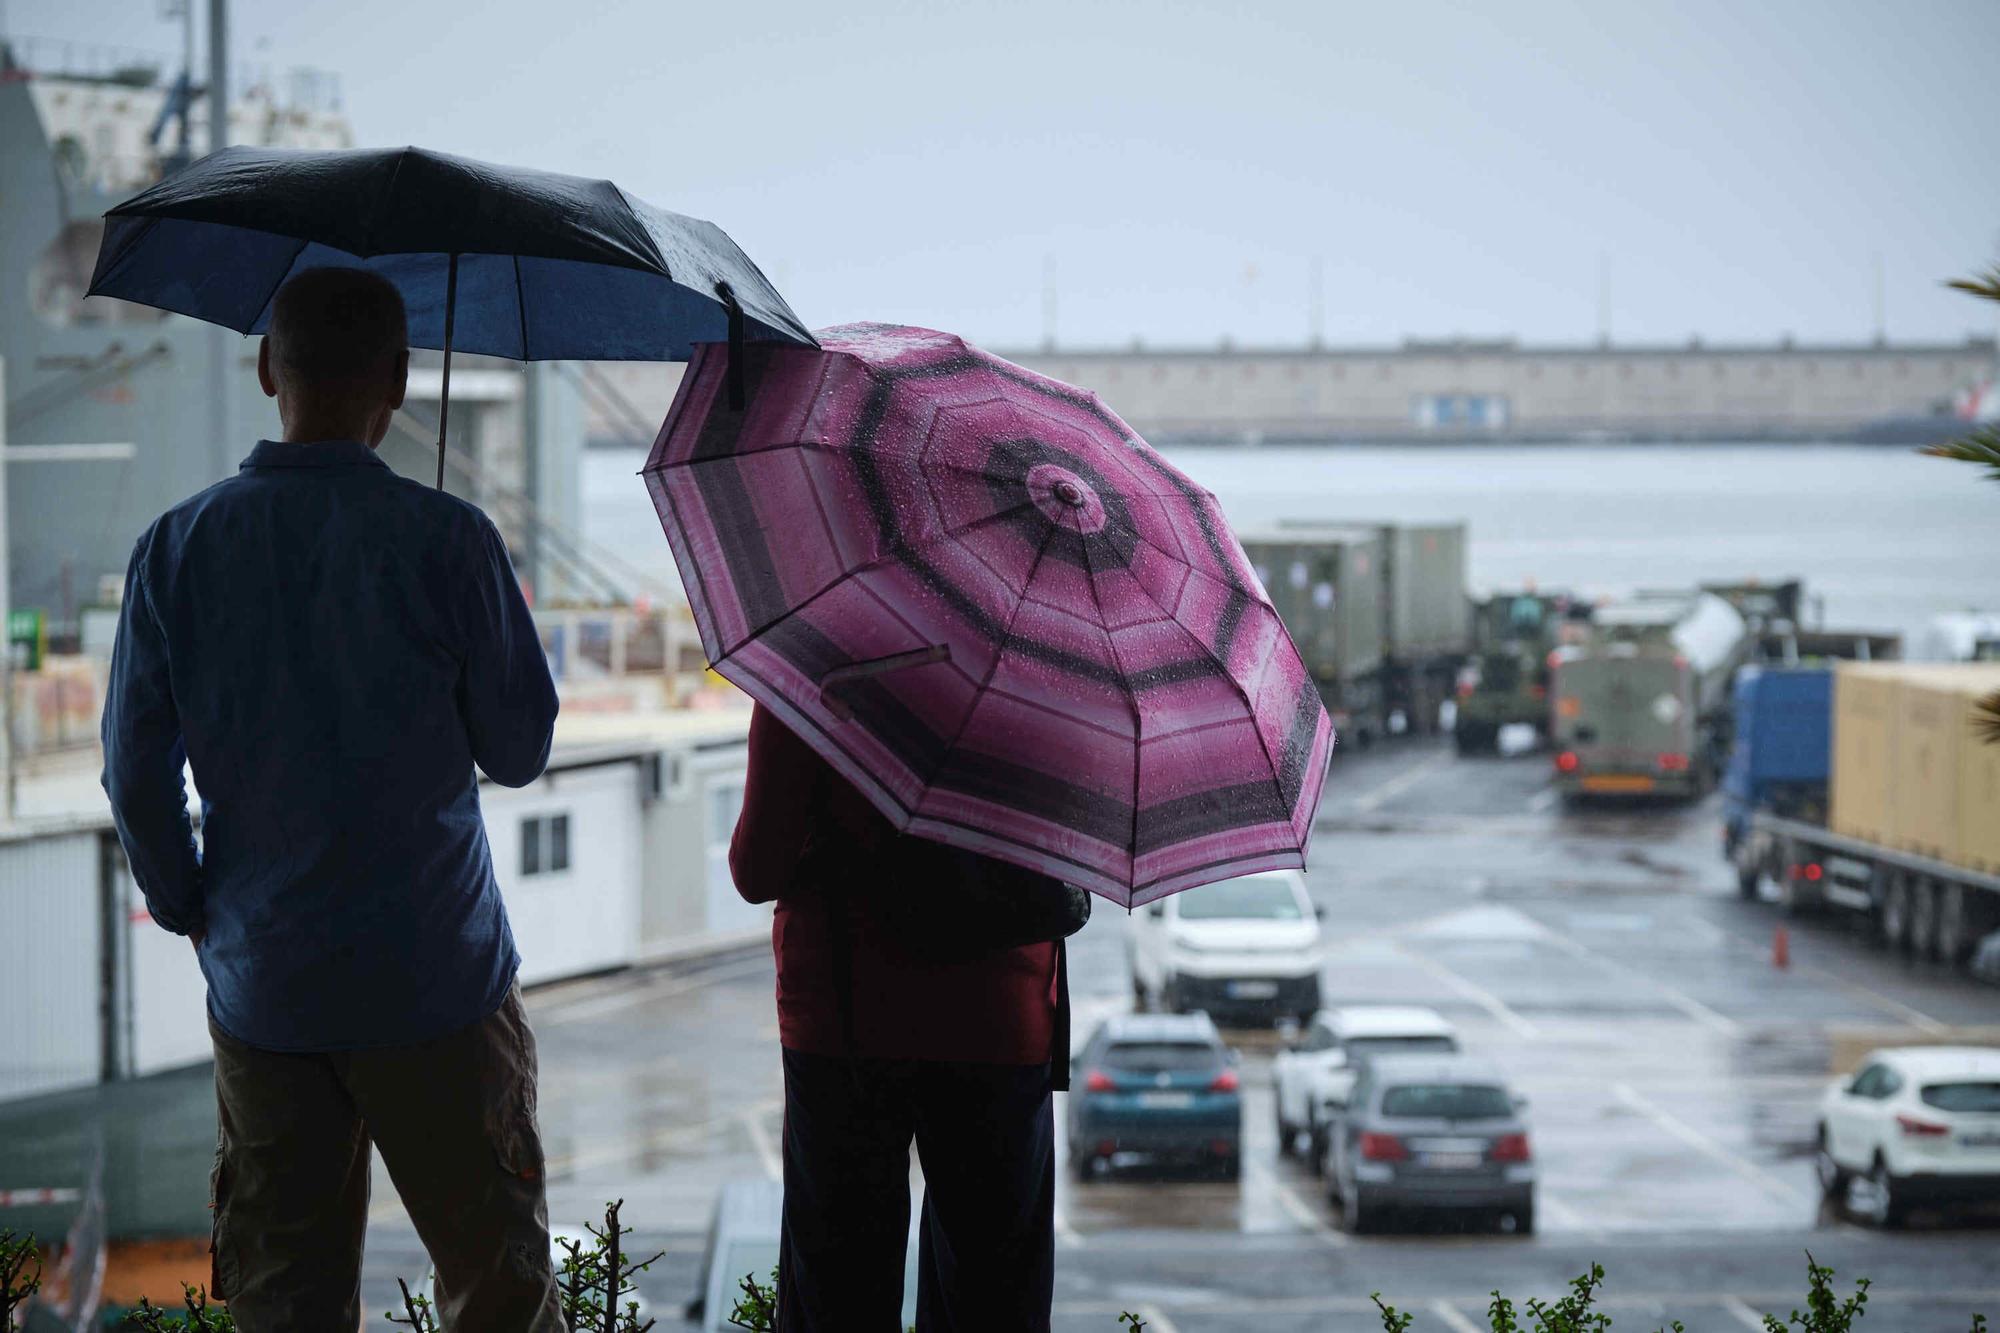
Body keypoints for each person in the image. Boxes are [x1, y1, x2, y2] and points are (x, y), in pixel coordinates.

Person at [100, 267, 565, 1332]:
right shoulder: (450, 541)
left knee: (285, 1305)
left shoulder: (174, 549)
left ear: (268, 368)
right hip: (438, 980)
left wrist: (189, 904)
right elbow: (522, 747)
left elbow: (135, 769)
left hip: (270, 988)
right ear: (398, 383)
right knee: (497, 1292)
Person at [729, 703, 1061, 1333]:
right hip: (999, 1018)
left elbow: (756, 871)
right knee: (993, 1301)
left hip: (846, 1014)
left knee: (838, 1296)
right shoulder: (1051, 666)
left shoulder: (819, 655)